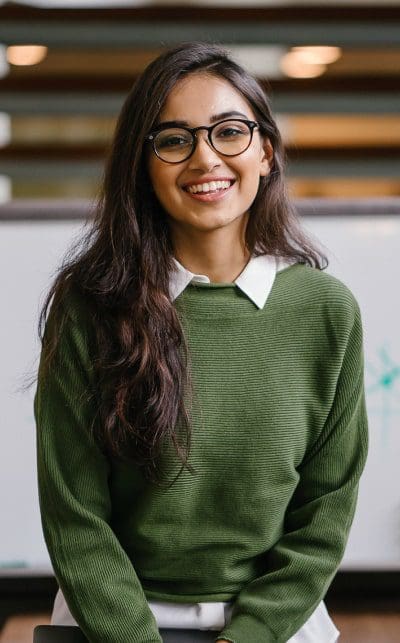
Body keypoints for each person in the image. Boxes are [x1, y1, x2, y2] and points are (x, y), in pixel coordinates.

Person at [34, 42, 369, 643]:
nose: (205, 158)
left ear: (266, 151)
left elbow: (326, 512)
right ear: (143, 164)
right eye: (173, 140)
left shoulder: (327, 312)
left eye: (229, 132)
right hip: (115, 623)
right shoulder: (90, 306)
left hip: (276, 625)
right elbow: (74, 515)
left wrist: (251, 635)